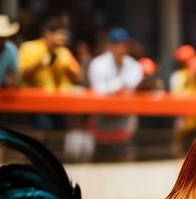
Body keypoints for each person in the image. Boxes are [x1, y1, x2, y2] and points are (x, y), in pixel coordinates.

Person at [86, 29, 145, 160]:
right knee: (101, 160)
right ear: (109, 46)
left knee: (126, 158)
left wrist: (114, 88)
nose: (121, 48)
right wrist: (120, 85)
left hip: (124, 122)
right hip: (103, 120)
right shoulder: (98, 64)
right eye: (117, 44)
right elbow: (99, 91)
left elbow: (132, 89)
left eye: (124, 44)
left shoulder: (134, 65)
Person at [18, 18, 82, 91]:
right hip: (32, 96)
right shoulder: (29, 48)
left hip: (55, 98)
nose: (63, 38)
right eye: (60, 34)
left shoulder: (64, 52)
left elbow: (79, 77)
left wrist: (69, 66)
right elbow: (20, 76)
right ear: (48, 34)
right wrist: (39, 64)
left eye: (65, 36)